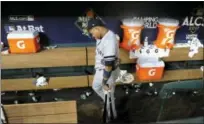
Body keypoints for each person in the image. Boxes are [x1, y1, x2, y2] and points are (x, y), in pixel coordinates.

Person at [87, 18, 120, 119]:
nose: (93, 36)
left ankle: (111, 116)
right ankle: (108, 102)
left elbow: (109, 64)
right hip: (101, 70)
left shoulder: (109, 40)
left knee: (108, 93)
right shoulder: (102, 36)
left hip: (107, 72)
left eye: (93, 33)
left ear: (97, 28)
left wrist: (104, 81)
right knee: (96, 87)